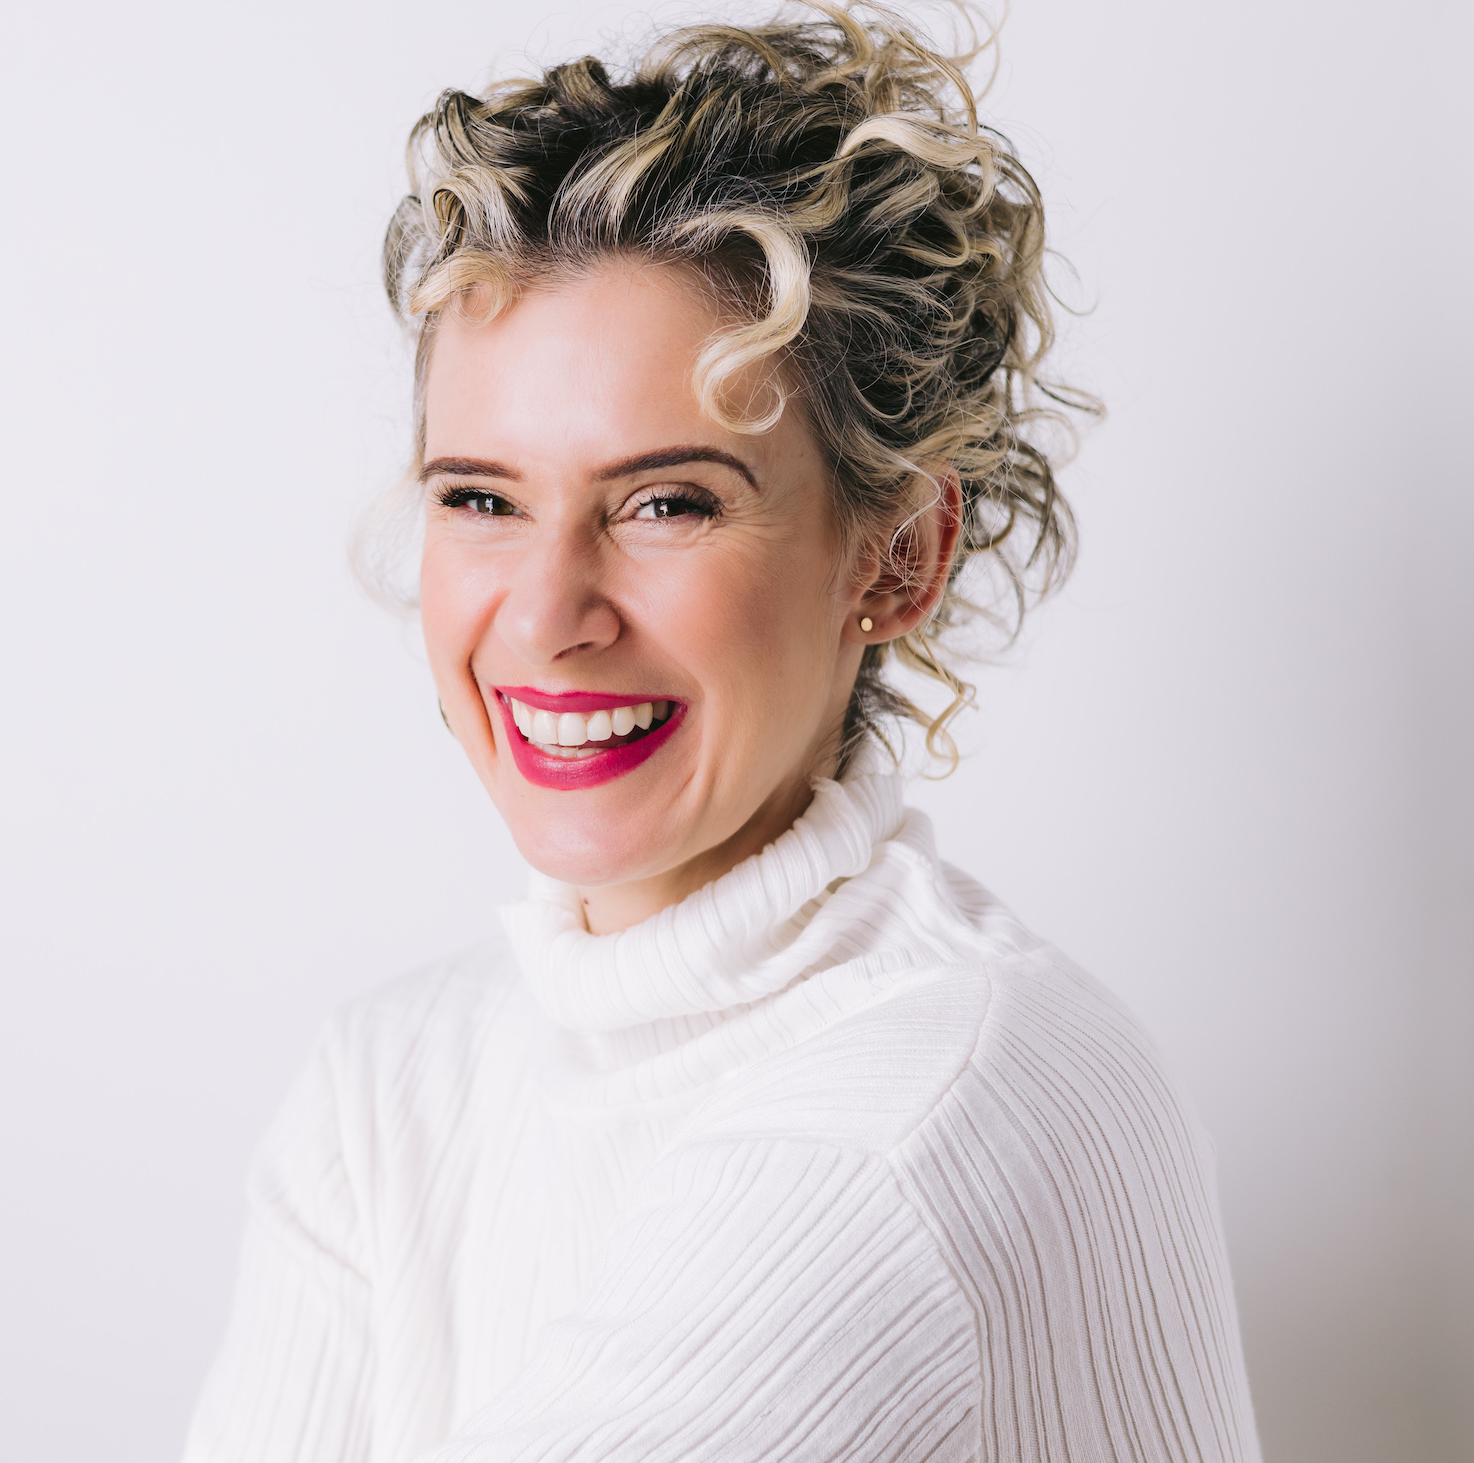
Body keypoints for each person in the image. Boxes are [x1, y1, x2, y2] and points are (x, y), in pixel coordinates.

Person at [185, 6, 1260, 1459]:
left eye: (665, 501)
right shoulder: (389, 1092)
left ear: (896, 560)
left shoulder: (937, 1103)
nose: (547, 612)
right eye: (482, 499)